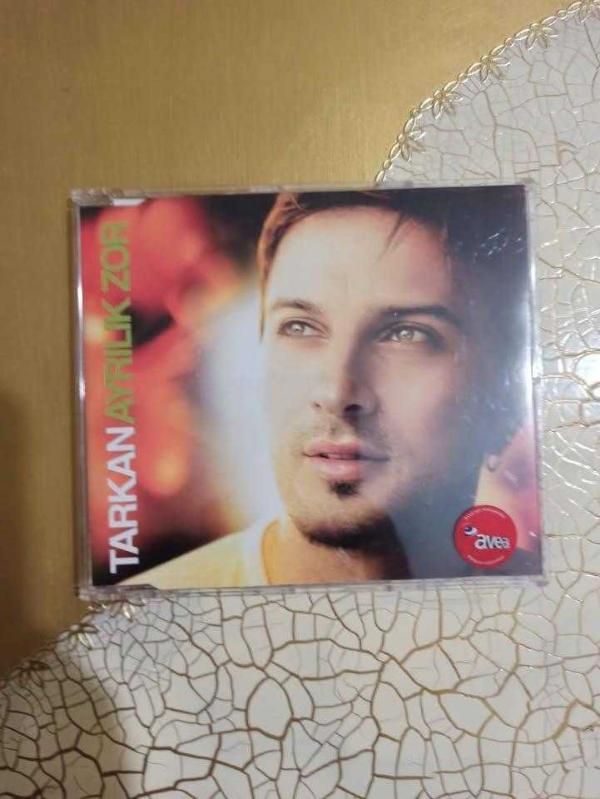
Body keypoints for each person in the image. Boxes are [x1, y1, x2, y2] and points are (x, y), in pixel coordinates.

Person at [125, 185, 537, 589]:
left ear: (504, 400)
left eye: (407, 334)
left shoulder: (551, 610)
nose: (337, 393)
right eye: (299, 327)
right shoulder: (151, 609)